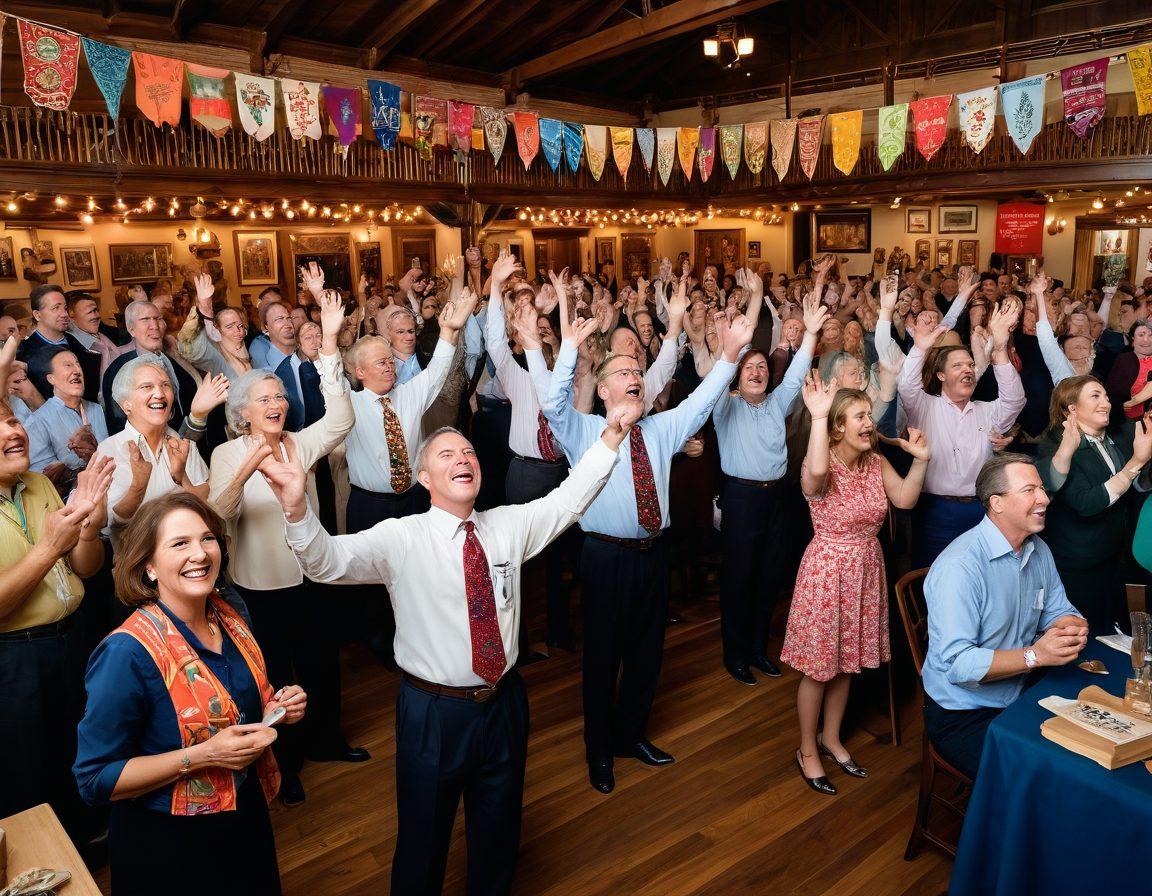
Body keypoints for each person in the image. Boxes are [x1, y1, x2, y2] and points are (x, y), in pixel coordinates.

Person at [259, 412, 633, 896]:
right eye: (447, 454)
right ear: (424, 477)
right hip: (433, 713)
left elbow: (569, 499)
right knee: (423, 843)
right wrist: (295, 508)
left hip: (504, 704)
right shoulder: (402, 536)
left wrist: (610, 439)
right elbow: (326, 562)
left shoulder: (508, 525)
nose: (464, 459)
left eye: (470, 453)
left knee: (499, 837)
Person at [538, 299, 755, 794]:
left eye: (639, 370)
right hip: (604, 558)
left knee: (646, 653)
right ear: (605, 387)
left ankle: (629, 736)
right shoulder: (583, 430)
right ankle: (598, 752)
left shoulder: (660, 429)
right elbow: (552, 406)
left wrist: (731, 353)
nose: (635, 375)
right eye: (623, 371)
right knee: (602, 659)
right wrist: (570, 350)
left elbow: (701, 404)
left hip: (653, 555)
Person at [73, 492, 306, 896]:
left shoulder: (229, 613)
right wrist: (202, 756)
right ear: (148, 566)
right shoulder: (126, 652)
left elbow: (240, 701)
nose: (200, 554)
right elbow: (94, 779)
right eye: (179, 544)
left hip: (243, 819)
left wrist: (278, 705)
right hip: (169, 845)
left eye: (207, 538)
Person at [208, 292, 361, 807]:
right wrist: (250, 465)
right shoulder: (227, 453)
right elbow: (218, 515)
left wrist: (332, 347)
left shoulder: (300, 443)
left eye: (279, 398)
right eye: (265, 400)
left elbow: (340, 420)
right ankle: (286, 762)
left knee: (321, 663)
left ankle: (328, 741)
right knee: (274, 678)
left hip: (312, 575)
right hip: (262, 587)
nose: (277, 405)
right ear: (242, 412)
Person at [783, 380, 928, 794]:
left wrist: (919, 461)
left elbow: (903, 499)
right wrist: (817, 415)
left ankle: (831, 738)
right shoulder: (822, 460)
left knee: (846, 662)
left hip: (866, 567)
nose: (870, 423)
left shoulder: (875, 461)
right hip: (828, 571)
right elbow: (812, 480)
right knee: (818, 668)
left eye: (870, 416)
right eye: (860, 417)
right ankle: (807, 747)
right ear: (837, 428)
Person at [0, 340, 111, 838]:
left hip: (73, 639)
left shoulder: (40, 486)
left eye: (13, 422)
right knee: (27, 768)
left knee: (77, 746)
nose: (12, 432)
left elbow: (86, 569)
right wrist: (48, 547)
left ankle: (87, 841)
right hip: (16, 658)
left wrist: (87, 527)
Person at [922, 454, 1089, 778]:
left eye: (1041, 489)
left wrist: (1071, 627)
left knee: (1087, 749)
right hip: (964, 714)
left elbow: (1059, 610)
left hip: (1020, 691)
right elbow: (959, 666)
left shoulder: (1037, 549)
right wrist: (1036, 655)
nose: (1043, 498)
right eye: (1030, 490)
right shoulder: (960, 567)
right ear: (996, 503)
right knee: (1048, 777)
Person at [712, 291, 826, 685]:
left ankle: (758, 649)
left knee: (769, 576)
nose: (757, 372)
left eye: (762, 366)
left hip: (779, 498)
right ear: (737, 376)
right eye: (749, 368)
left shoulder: (777, 403)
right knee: (739, 579)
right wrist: (732, 347)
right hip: (742, 500)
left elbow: (795, 374)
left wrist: (810, 333)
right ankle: (735, 654)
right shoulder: (724, 405)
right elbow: (719, 377)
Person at [898, 301, 1025, 567]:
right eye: (958, 366)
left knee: (979, 576)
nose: (967, 370)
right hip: (935, 510)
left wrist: (1000, 351)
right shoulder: (924, 406)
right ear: (941, 375)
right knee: (931, 577)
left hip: (981, 510)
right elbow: (907, 385)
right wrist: (921, 346)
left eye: (970, 365)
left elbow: (1015, 400)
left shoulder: (986, 411)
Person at [1035, 375, 1152, 632]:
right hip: (1079, 565)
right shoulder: (1056, 445)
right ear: (1072, 408)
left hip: (1113, 558)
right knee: (1082, 636)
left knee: (1110, 633)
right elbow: (1087, 503)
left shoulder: (1114, 437)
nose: (1106, 403)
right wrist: (1135, 464)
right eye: (1095, 396)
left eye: (1107, 397)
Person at [95, 358, 210, 551]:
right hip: (137, 565)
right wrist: (138, 487)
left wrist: (182, 479)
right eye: (146, 387)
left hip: (191, 555)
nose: (159, 393)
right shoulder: (109, 450)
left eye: (165, 385)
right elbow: (111, 524)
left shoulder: (183, 445)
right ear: (126, 405)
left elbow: (207, 504)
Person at [102, 300, 201, 437]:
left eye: (158, 319)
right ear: (131, 330)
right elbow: (118, 423)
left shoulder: (174, 362)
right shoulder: (119, 369)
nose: (154, 326)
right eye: (145, 319)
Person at [24, 347, 109, 491]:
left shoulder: (96, 409)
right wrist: (76, 464)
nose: (76, 370)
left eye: (78, 364)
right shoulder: (38, 420)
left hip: (107, 488)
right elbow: (42, 477)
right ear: (51, 379)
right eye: (68, 365)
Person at [18, 284, 102, 403]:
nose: (64, 314)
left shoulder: (80, 347)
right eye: (56, 308)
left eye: (65, 308)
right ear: (37, 315)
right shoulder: (24, 354)